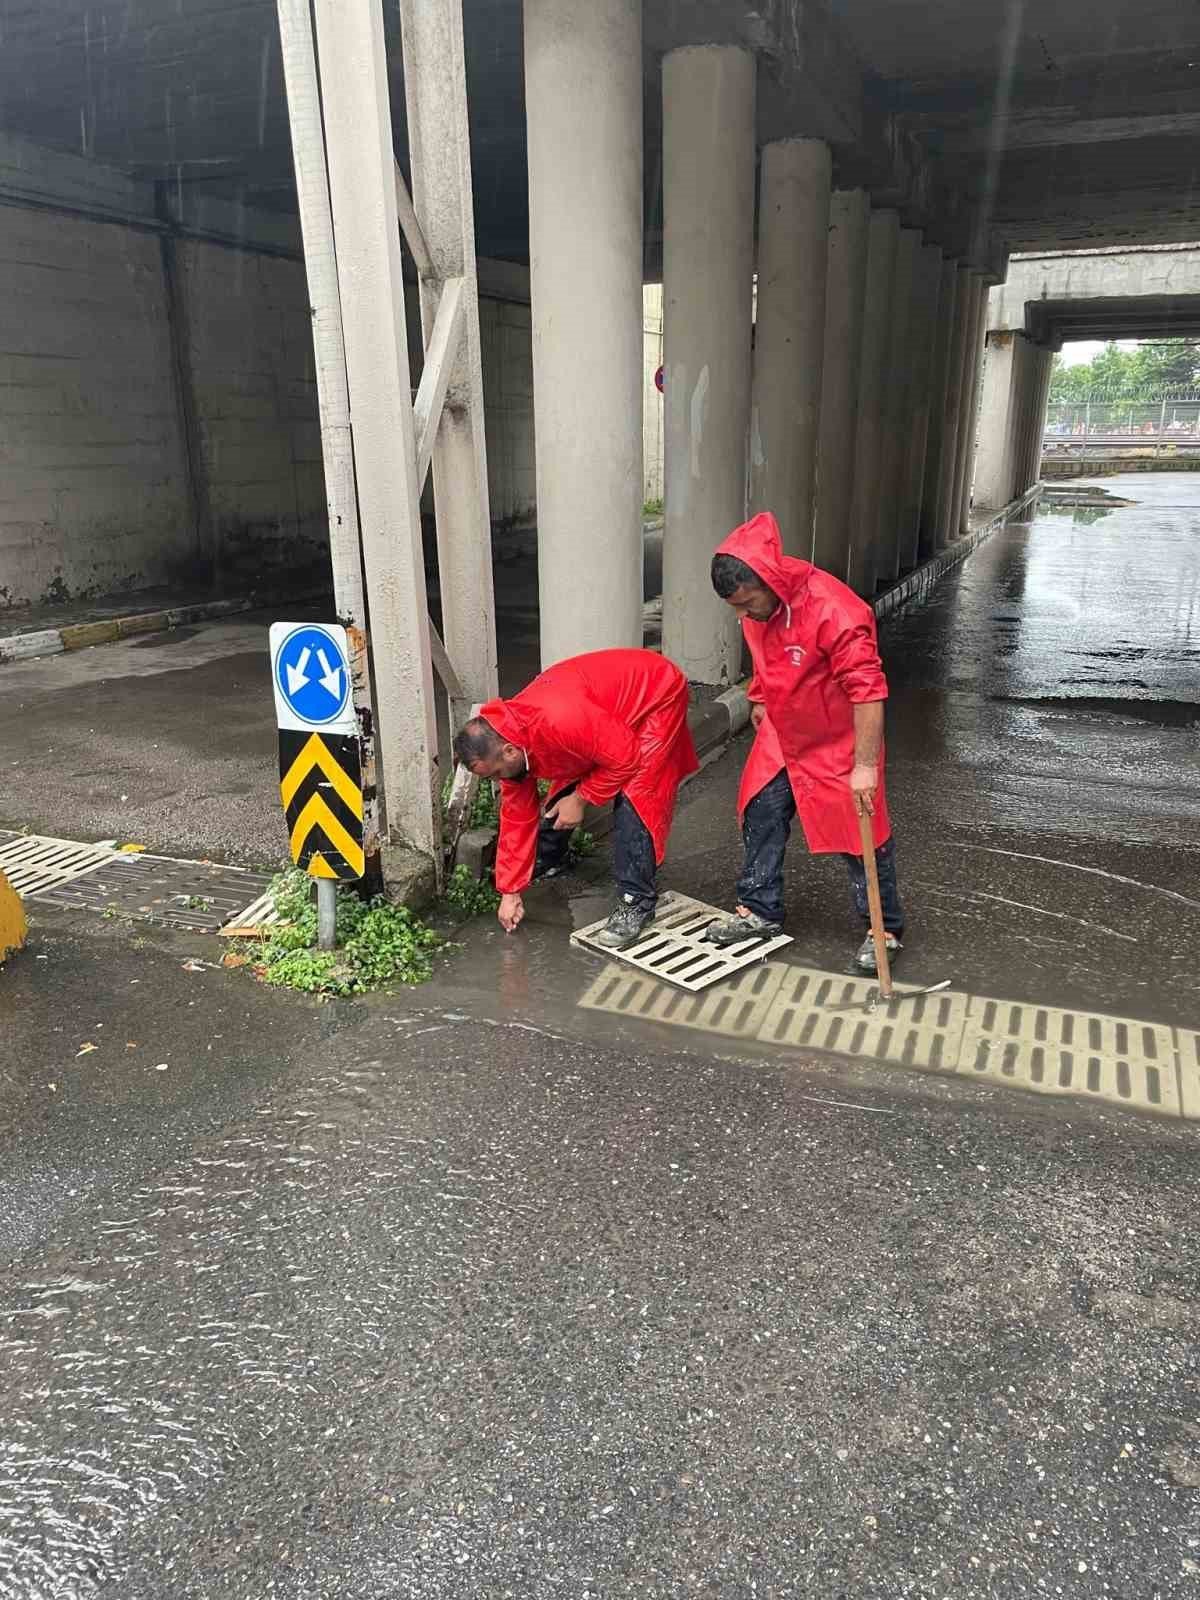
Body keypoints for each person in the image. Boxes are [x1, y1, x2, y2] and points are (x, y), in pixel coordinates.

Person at [706, 511, 904, 975]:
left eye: (745, 603)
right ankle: (760, 909)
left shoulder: (837, 612)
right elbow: (765, 655)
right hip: (784, 733)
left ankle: (884, 928)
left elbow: (868, 692)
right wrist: (759, 696)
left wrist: (865, 766)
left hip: (837, 739)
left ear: (770, 582)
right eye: (734, 607)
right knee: (761, 809)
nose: (741, 615)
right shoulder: (760, 606)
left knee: (860, 833)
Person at [453, 648, 699, 949]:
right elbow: (516, 815)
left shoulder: (560, 720)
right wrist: (510, 889)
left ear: (509, 751)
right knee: (567, 781)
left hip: (656, 693)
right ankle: (550, 858)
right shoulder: (513, 737)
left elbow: (626, 757)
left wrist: (581, 798)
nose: (496, 781)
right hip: (601, 716)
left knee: (637, 795)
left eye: (494, 774)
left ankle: (636, 902)